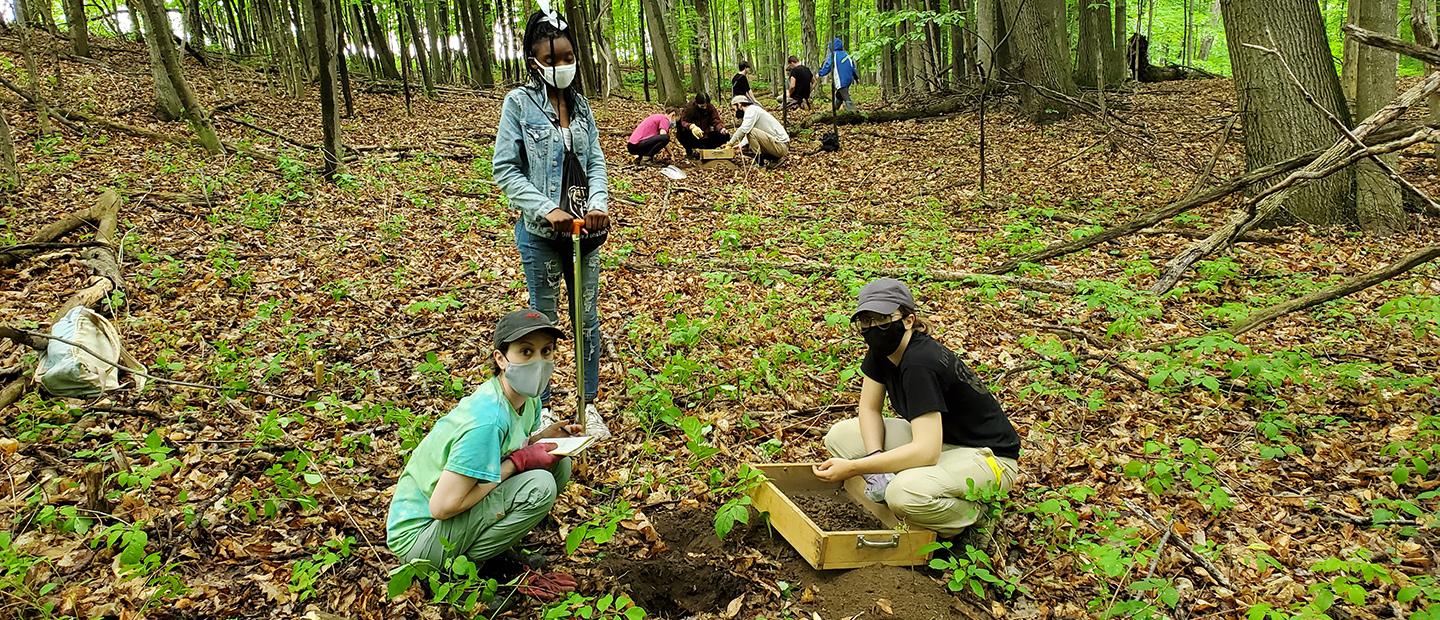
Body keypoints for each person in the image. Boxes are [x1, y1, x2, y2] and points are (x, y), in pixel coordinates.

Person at [387, 310, 583, 600]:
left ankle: (491, 554)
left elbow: (512, 443)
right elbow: (443, 506)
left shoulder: (524, 400)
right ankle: (467, 570)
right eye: (526, 352)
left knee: (559, 464)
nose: (538, 363)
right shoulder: (487, 419)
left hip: (446, 519)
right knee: (539, 486)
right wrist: (519, 463)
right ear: (501, 359)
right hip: (420, 538)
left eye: (546, 352)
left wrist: (544, 438)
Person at [813, 278, 1021, 537]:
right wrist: (876, 458)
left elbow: (926, 452)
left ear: (908, 320)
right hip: (942, 441)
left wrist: (857, 467)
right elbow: (869, 410)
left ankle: (974, 518)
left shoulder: (920, 363)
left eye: (882, 319)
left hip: (988, 457)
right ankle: (922, 487)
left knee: (903, 493)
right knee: (841, 436)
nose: (874, 327)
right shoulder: (881, 351)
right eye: (866, 321)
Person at [493, 7, 612, 439]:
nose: (562, 66)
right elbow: (506, 169)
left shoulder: (581, 106)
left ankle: (587, 403)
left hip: (586, 234)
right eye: (552, 58)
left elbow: (594, 159)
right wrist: (546, 208)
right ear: (533, 59)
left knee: (587, 318)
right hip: (541, 234)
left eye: (567, 57)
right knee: (542, 320)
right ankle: (538, 409)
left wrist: (597, 200)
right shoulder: (518, 104)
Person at [725, 95, 789, 166]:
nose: (734, 112)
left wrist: (730, 143)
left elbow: (745, 130)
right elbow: (749, 134)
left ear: (739, 105)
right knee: (744, 148)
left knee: (751, 132)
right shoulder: (752, 111)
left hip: (781, 146)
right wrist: (740, 145)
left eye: (734, 109)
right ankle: (774, 159)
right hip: (775, 144)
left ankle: (760, 164)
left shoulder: (751, 110)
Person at [676, 93, 730, 158]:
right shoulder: (690, 108)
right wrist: (691, 126)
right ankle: (689, 151)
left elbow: (715, 120)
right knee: (681, 132)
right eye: (702, 106)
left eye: (706, 105)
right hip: (692, 135)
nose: (704, 107)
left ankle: (707, 151)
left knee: (725, 136)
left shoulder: (710, 107)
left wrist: (721, 129)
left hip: (706, 135)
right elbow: (683, 121)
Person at [817, 37, 858, 113]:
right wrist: (856, 77)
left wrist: (820, 73)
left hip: (841, 78)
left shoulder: (833, 55)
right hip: (849, 78)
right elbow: (853, 67)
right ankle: (835, 109)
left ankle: (853, 112)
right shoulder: (847, 55)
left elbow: (828, 66)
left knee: (845, 96)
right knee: (839, 95)